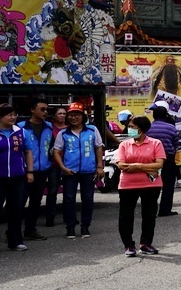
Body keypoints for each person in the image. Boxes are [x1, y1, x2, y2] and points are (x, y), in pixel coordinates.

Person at [0, 103, 33, 254]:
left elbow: (28, 152)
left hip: (17, 177)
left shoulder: (21, 133)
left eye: (14, 114)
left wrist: (30, 171)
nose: (12, 117)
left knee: (16, 209)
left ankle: (15, 241)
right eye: (9, 115)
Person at [114, 115, 165, 256]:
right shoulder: (124, 145)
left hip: (151, 185)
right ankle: (128, 246)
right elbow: (121, 164)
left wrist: (138, 166)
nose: (129, 129)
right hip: (127, 185)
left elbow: (159, 164)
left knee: (149, 215)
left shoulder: (156, 143)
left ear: (141, 129)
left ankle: (146, 244)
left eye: (132, 127)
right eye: (129, 127)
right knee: (126, 216)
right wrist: (146, 167)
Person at [52, 103, 103, 238]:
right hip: (70, 171)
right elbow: (56, 151)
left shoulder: (92, 130)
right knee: (68, 199)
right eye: (71, 115)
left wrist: (99, 166)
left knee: (88, 199)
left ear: (83, 116)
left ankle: (85, 226)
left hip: (89, 170)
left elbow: (98, 147)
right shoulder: (63, 133)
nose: (74, 117)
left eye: (77, 115)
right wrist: (63, 168)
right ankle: (70, 227)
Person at [18, 98, 55, 240]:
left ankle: (30, 230)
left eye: (47, 109)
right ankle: (12, 232)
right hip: (24, 171)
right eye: (42, 109)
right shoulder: (21, 127)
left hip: (42, 169)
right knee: (19, 202)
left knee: (35, 202)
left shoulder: (49, 127)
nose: (45, 112)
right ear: (32, 110)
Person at [149, 105, 181, 216]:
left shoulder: (147, 128)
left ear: (153, 115)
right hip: (167, 159)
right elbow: (176, 144)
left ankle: (150, 209)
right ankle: (165, 210)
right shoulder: (171, 128)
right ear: (166, 115)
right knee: (168, 185)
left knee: (151, 184)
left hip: (151, 160)